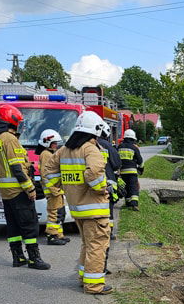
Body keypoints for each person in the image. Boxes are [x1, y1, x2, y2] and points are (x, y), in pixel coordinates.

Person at [42, 111, 113, 294]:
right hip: (94, 209)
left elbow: (48, 172)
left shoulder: (64, 150)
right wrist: (102, 188)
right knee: (97, 246)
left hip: (77, 209)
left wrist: (60, 187)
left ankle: (84, 277)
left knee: (87, 244)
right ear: (96, 130)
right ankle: (94, 285)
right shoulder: (90, 149)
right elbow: (94, 174)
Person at [0, 104, 50, 270]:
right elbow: (17, 168)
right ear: (12, 121)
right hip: (18, 191)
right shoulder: (10, 139)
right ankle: (33, 259)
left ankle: (18, 258)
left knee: (13, 226)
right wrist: (30, 189)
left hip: (5, 192)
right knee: (30, 225)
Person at [35, 128, 69, 246]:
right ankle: (52, 236)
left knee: (60, 212)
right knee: (54, 213)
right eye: (54, 143)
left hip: (57, 189)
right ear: (47, 142)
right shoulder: (46, 154)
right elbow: (45, 175)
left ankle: (59, 234)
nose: (56, 146)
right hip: (53, 190)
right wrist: (54, 190)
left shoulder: (50, 153)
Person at [97, 129, 122, 242]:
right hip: (107, 181)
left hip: (92, 182)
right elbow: (116, 164)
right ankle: (109, 232)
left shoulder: (88, 145)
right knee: (108, 208)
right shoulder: (107, 146)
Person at [117, 129, 143, 211]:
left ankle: (128, 203)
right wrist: (141, 169)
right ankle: (134, 204)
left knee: (126, 187)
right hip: (132, 171)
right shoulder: (134, 148)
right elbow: (140, 161)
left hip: (122, 172)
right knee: (133, 187)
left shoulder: (119, 147)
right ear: (133, 139)